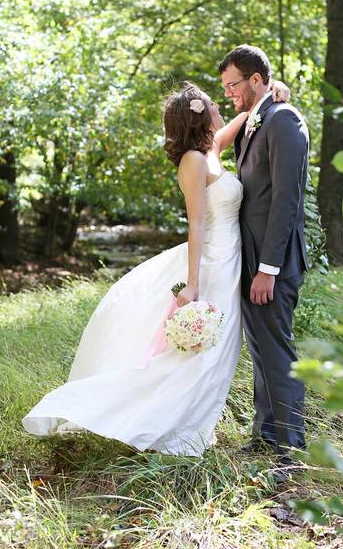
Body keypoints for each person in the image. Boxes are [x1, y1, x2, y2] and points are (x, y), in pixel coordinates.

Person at [21, 78, 290, 457]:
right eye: (213, 104)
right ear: (198, 116)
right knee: (201, 354)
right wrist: (193, 285)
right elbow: (195, 223)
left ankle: (191, 428)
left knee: (219, 353)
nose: (219, 107)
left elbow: (246, 115)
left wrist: (271, 92)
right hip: (211, 264)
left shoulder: (210, 148)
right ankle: (162, 428)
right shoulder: (193, 162)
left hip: (230, 260)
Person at [218, 45, 309, 472]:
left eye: (234, 84)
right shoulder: (261, 117)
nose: (229, 94)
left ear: (257, 80)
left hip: (273, 263)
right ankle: (265, 434)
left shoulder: (285, 120)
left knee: (277, 352)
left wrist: (268, 268)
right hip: (251, 259)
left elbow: (286, 201)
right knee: (262, 352)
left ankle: (291, 449)